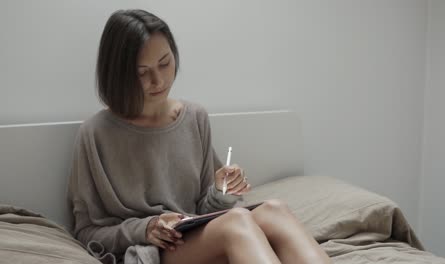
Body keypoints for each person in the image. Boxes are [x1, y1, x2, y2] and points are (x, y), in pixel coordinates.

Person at [68, 9, 331, 264]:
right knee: (236, 222)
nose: (158, 80)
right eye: (142, 72)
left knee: (275, 210)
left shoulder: (194, 117)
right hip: (154, 249)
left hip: (198, 235)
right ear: (119, 74)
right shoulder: (95, 133)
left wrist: (221, 190)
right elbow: (87, 231)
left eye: (165, 63)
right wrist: (145, 229)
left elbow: (206, 211)